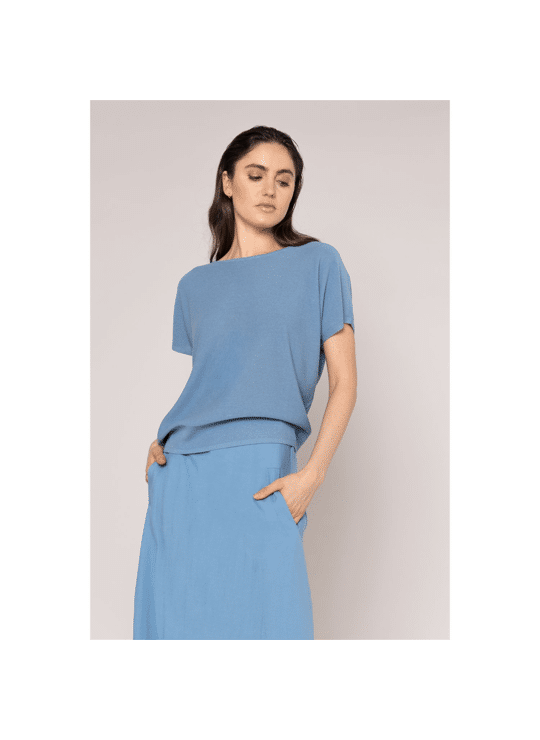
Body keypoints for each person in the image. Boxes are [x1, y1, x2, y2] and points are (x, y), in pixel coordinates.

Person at [133, 125, 357, 640]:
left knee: (271, 628)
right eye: (256, 175)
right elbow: (214, 381)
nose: (270, 190)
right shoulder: (195, 286)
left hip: (262, 470)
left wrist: (313, 475)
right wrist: (163, 443)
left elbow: (345, 382)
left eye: (284, 179)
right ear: (227, 182)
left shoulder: (319, 263)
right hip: (183, 475)